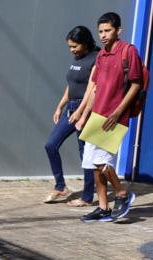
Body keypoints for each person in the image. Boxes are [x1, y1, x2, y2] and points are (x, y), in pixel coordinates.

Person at [74, 12, 142, 223]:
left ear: (118, 30)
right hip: (97, 117)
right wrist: (84, 115)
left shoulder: (128, 51)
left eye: (108, 30)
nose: (103, 35)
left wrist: (118, 112)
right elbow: (95, 89)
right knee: (94, 165)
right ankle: (103, 208)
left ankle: (122, 194)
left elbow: (136, 83)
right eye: (101, 31)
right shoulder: (101, 55)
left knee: (103, 162)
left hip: (114, 117)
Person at [43, 26, 97, 207]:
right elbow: (71, 85)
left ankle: (88, 196)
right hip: (71, 108)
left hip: (86, 109)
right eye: (70, 47)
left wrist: (81, 112)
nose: (71, 50)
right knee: (51, 145)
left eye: (74, 46)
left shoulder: (95, 58)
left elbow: (92, 89)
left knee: (86, 154)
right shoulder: (77, 58)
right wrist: (60, 106)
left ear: (85, 42)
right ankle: (61, 186)